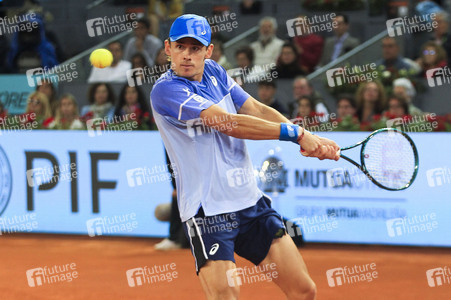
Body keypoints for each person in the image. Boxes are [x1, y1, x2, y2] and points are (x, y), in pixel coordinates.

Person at [150, 14, 340, 300]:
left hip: (251, 205)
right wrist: (297, 135)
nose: (187, 55)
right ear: (168, 48)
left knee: (304, 291)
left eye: (196, 48)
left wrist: (303, 132)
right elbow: (230, 123)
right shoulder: (166, 90)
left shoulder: (214, 71)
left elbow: (254, 108)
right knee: (227, 296)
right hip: (208, 213)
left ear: (208, 51)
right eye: (181, 47)